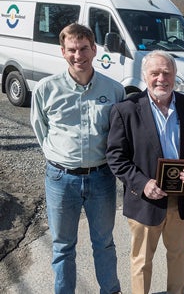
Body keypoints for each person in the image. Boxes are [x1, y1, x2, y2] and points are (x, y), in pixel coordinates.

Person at [30, 23, 123, 294]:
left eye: (84, 48)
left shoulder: (114, 90)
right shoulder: (46, 89)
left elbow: (118, 136)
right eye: (71, 49)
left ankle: (110, 290)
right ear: (63, 52)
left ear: (94, 49)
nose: (78, 55)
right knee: (62, 247)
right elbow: (40, 129)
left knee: (104, 243)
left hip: (101, 179)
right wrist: (58, 157)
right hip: (60, 179)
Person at [106, 50, 184, 294]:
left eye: (167, 73)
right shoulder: (126, 110)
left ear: (175, 75)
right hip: (145, 200)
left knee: (179, 258)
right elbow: (116, 157)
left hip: (180, 201)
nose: (161, 78)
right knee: (141, 262)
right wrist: (142, 183)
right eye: (155, 73)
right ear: (144, 76)